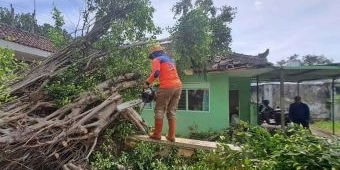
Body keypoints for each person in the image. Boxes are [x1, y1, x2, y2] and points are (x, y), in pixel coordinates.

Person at [144, 44, 182, 142]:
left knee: (159, 110)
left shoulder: (157, 60)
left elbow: (156, 73)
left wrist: (147, 82)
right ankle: (171, 136)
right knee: (171, 111)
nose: (152, 58)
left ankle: (157, 134)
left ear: (154, 53)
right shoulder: (170, 60)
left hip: (167, 86)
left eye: (152, 55)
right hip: (178, 86)